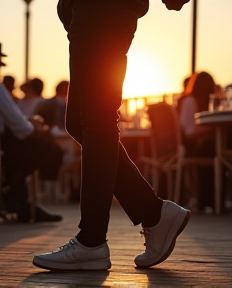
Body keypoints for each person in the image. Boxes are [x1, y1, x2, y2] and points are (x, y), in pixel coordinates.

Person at [33, 0, 191, 270]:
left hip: (103, 8)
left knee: (97, 120)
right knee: (79, 122)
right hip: (83, 12)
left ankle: (91, 241)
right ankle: (153, 213)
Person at [0, 41, 64, 222]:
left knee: (29, 144)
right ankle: (17, 199)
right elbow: (22, 130)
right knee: (47, 145)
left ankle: (13, 197)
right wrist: (36, 125)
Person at [178, 71, 217, 212]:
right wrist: (211, 131)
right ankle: (209, 201)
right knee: (212, 148)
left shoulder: (204, 102)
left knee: (214, 148)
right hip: (192, 147)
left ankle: (212, 201)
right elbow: (189, 132)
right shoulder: (190, 101)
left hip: (200, 145)